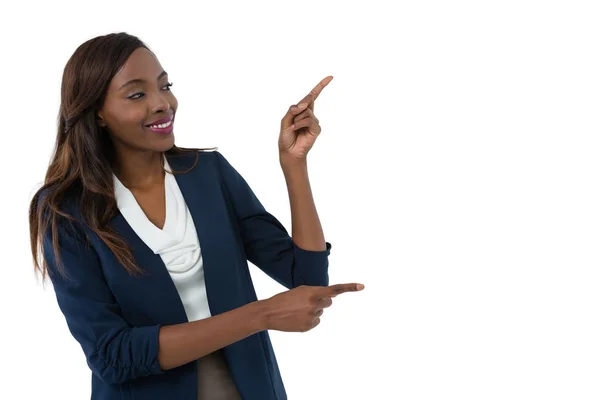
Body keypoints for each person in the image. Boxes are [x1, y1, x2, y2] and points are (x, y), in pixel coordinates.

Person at [28, 32, 364, 400]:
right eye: (137, 94)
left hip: (248, 386)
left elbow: (308, 279)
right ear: (98, 113)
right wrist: (260, 315)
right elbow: (112, 355)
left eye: (165, 86)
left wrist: (294, 165)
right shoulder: (66, 212)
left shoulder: (208, 174)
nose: (162, 103)